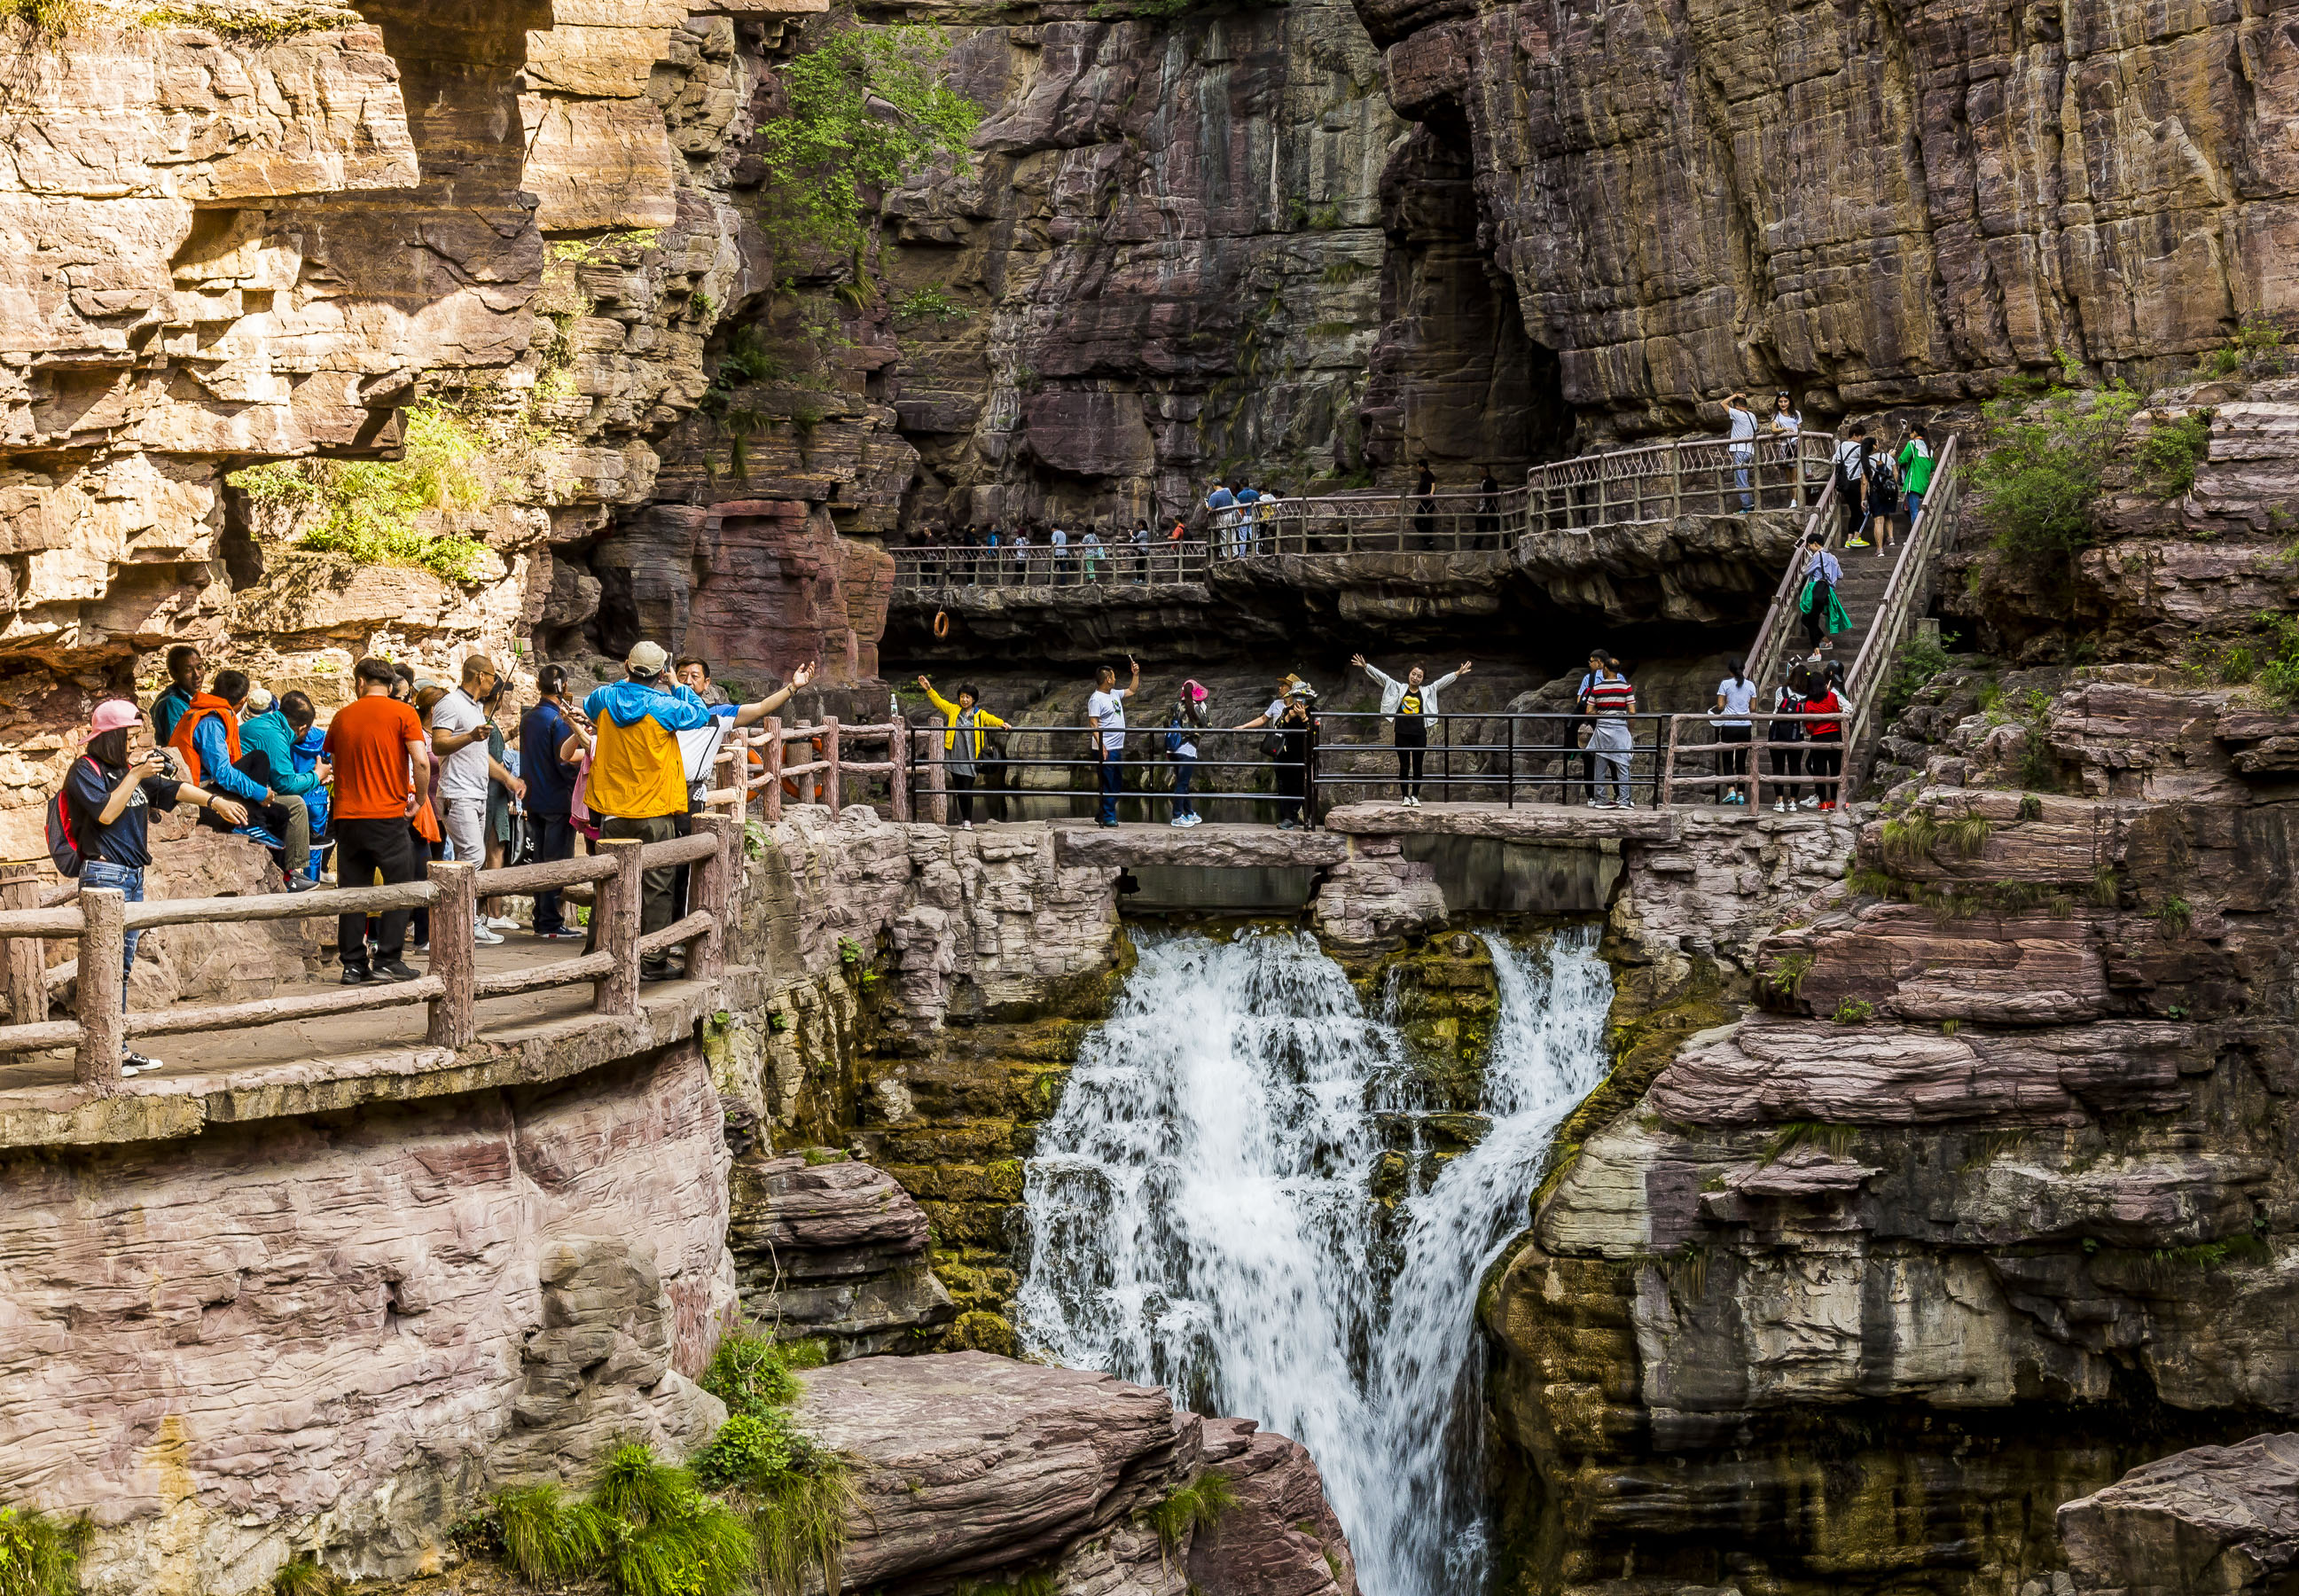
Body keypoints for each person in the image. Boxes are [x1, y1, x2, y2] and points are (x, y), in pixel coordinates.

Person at [583, 642, 811, 980]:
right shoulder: (666, 706)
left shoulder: (602, 698)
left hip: (612, 810)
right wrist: (675, 685)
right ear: (662, 672)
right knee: (658, 888)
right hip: (655, 809)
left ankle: (596, 955)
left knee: (608, 883)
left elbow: (590, 708)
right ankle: (652, 962)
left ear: (628, 666)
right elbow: (700, 714)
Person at [62, 700, 249, 1076]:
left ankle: (118, 1046)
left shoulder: (126, 770)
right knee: (106, 966)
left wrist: (216, 801)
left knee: (123, 967)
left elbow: (175, 789)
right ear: (111, 738)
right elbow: (105, 813)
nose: (135, 745)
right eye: (130, 738)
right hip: (105, 878)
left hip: (132, 876)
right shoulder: (86, 770)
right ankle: (105, 1051)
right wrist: (135, 774)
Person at [325, 656, 434, 984]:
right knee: (401, 887)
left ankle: (353, 965)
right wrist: (422, 799)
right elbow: (421, 762)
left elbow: (334, 762)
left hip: (347, 816)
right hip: (388, 815)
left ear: (360, 683)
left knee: (351, 893)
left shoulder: (342, 716)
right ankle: (388, 957)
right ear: (389, 684)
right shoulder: (404, 713)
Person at [167, 668, 315, 888]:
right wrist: (260, 791)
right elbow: (223, 773)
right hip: (203, 796)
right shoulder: (211, 722)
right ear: (244, 700)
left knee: (282, 812)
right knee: (260, 759)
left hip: (214, 790)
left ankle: (285, 876)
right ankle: (251, 825)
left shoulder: (212, 713)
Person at [430, 655, 523, 947]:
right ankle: (466, 923)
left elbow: (482, 758)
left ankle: (462, 921)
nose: (495, 682)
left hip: (476, 792)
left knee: (468, 860)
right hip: (457, 793)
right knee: (473, 857)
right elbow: (438, 743)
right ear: (480, 676)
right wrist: (470, 736)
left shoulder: (474, 709)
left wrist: (509, 779)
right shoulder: (451, 704)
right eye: (493, 677)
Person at [236, 686, 331, 887]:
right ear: (303, 728)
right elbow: (286, 784)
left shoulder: (269, 725)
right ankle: (292, 872)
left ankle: (303, 841)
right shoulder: (275, 736)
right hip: (242, 795)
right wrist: (317, 775)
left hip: (247, 788)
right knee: (295, 804)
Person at [1352, 653, 1470, 807]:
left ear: (1423, 679)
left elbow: (1441, 683)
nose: (1415, 678)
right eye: (1413, 674)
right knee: (1404, 766)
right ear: (1409, 674)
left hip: (1419, 733)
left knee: (1418, 766)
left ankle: (1415, 796)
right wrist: (1366, 667)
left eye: (1419, 676)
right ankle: (1405, 797)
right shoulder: (1399, 688)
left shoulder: (1427, 691)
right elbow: (1382, 678)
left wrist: (1457, 673)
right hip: (1401, 732)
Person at [520, 664, 583, 940]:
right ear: (565, 687)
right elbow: (565, 760)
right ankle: (550, 922)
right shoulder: (557, 720)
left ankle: (540, 918)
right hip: (558, 799)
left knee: (539, 860)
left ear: (538, 686)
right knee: (557, 862)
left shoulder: (529, 717)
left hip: (534, 797)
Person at [919, 677, 1006, 830]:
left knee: (966, 789)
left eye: (968, 697)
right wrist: (929, 689)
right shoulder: (954, 710)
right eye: (962, 697)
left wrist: (1002, 723)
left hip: (971, 758)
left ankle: (968, 821)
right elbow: (940, 703)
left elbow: (991, 719)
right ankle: (965, 820)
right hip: (954, 757)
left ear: (973, 699)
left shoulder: (979, 714)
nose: (964, 700)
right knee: (959, 790)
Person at [1234, 673, 1317, 830]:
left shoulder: (1313, 711)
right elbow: (1277, 729)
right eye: (1296, 696)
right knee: (1285, 785)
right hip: (1285, 753)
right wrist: (1287, 718)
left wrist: (1304, 717)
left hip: (1304, 755)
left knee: (1303, 785)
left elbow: (1314, 733)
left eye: (1301, 697)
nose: (1298, 700)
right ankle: (1288, 818)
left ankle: (1307, 817)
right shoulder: (1286, 710)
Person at [1086, 655, 1139, 828]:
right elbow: (1093, 723)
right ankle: (1108, 817)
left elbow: (1131, 690)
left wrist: (1136, 674)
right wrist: (1101, 745)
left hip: (1117, 747)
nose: (1116, 679)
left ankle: (1103, 812)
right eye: (1114, 676)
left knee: (1117, 782)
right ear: (1108, 679)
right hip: (1105, 747)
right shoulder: (1096, 699)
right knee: (1108, 782)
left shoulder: (1114, 694)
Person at [1582, 654, 1637, 810]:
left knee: (1600, 765)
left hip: (1603, 729)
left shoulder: (1597, 688)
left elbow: (1589, 710)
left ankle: (1601, 799)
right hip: (1620, 729)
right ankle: (1625, 800)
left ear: (1605, 669)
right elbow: (1632, 711)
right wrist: (1629, 730)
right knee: (1623, 764)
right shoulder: (1626, 687)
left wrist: (1601, 715)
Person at [1163, 680, 1210, 827]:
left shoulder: (1175, 706)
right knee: (1183, 783)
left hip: (1173, 749)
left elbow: (1166, 723)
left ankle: (1189, 812)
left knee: (1182, 782)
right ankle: (1177, 816)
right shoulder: (1197, 708)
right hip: (1187, 750)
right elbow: (1208, 725)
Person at [1712, 659, 1756, 804]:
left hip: (1729, 726)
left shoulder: (1725, 684)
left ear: (1730, 671)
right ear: (1743, 669)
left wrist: (1726, 705)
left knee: (1727, 759)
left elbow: (1719, 705)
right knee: (1741, 761)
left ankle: (1731, 790)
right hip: (1745, 726)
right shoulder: (1750, 685)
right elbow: (1753, 708)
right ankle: (1741, 794)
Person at [1802, 671, 1845, 810]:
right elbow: (1837, 714)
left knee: (1819, 771)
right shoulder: (1832, 697)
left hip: (1819, 738)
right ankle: (1834, 800)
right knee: (1835, 769)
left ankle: (1823, 802)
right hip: (1835, 736)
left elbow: (1809, 727)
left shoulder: (1808, 704)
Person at [1798, 530, 1847, 646]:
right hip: (1828, 592)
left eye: (1809, 546)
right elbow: (1840, 575)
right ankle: (1826, 641)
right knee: (1807, 619)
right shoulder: (1833, 558)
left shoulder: (1817, 556)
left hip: (1817, 591)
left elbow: (1805, 572)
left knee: (1811, 620)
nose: (1809, 548)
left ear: (1815, 544)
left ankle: (1816, 652)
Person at [1766, 675, 1807, 811]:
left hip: (1777, 734)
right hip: (1796, 735)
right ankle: (1793, 802)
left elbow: (1778, 707)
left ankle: (1779, 801)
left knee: (1777, 767)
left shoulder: (1781, 691)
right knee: (1795, 767)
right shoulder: (1806, 697)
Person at [152, 645, 203, 745]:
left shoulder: (192, 699)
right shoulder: (172, 704)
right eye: (188, 670)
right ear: (174, 674)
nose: (197, 675)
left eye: (199, 667)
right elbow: (179, 746)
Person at [1833, 423, 1874, 546]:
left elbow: (1834, 460)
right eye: (1861, 436)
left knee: (1854, 511)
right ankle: (1856, 538)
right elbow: (1865, 466)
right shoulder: (1858, 448)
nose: (1862, 439)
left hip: (1845, 484)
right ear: (1855, 435)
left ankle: (1848, 540)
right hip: (1856, 482)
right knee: (1863, 511)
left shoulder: (1840, 447)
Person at [1865, 432, 1904, 555]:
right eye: (1877, 442)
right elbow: (1895, 473)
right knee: (1887, 515)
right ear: (1875, 446)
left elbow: (1864, 481)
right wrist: (1891, 486)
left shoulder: (1866, 461)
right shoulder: (1888, 457)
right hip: (1890, 492)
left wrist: (1863, 497)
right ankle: (1891, 538)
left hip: (1876, 492)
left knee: (1878, 520)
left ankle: (1880, 549)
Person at [1896, 424, 1935, 539]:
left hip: (1912, 483)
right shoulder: (1929, 449)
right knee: (1905, 507)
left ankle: (1917, 537)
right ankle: (1920, 529)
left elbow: (1902, 459)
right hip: (1923, 483)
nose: (1910, 435)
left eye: (1911, 432)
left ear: (1915, 433)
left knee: (1913, 511)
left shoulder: (1912, 444)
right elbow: (1932, 467)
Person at [1724, 393, 1759, 512]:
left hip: (1740, 451)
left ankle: (1747, 507)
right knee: (1746, 479)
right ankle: (1752, 503)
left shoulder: (1737, 414)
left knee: (1740, 480)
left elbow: (1722, 403)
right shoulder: (1752, 416)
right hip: (1751, 451)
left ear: (1737, 406)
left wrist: (1735, 395)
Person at [1769, 393, 1804, 505]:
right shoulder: (1776, 415)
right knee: (1788, 477)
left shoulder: (1796, 414)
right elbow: (1773, 429)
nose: (1783, 404)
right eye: (1780, 401)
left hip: (1794, 445)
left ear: (1789, 402)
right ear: (1777, 403)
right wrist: (1783, 429)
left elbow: (1799, 430)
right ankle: (1793, 500)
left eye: (1785, 401)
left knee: (1795, 476)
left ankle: (1795, 500)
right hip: (1783, 446)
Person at [1206, 481, 1236, 555]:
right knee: (1233, 534)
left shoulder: (1214, 496)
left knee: (1224, 536)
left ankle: (1227, 555)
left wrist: (1207, 504)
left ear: (1214, 485)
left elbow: (1210, 509)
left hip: (1222, 516)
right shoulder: (1228, 490)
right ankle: (1235, 553)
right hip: (1231, 514)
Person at [1412, 460, 1435, 547]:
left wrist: (1431, 493)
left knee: (1420, 522)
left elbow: (1433, 484)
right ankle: (1428, 542)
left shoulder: (1428, 474)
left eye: (1418, 467)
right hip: (1423, 502)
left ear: (1423, 467)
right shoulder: (1423, 475)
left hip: (1427, 503)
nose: (1417, 469)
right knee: (1424, 522)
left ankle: (1428, 542)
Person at [1476, 466, 1501, 545]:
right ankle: (1476, 545)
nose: (1479, 474)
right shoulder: (1485, 481)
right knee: (1481, 527)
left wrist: (1484, 508)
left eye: (1480, 472)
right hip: (1485, 508)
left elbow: (1490, 496)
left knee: (1497, 527)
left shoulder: (1491, 481)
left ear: (1484, 471)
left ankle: (1506, 544)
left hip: (1489, 508)